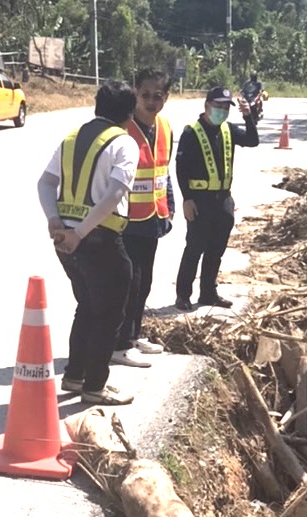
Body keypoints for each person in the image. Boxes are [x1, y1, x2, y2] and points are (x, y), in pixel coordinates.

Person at [37, 79, 139, 406]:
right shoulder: (124, 142)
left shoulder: (72, 138)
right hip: (98, 239)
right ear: (129, 114)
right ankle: (95, 386)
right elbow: (115, 193)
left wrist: (55, 220)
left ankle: (75, 375)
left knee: (87, 305)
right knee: (109, 313)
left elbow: (45, 182)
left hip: (65, 240)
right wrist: (80, 232)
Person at [111, 68, 175, 368]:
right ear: (135, 93)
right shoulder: (123, 129)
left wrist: (170, 205)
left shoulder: (165, 127)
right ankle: (120, 343)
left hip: (153, 217)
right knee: (129, 282)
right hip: (127, 220)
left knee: (145, 281)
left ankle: (134, 335)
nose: (151, 102)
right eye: (145, 95)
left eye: (157, 96)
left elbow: (164, 171)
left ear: (166, 97)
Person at [174, 86, 259, 311]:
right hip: (199, 200)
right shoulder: (191, 132)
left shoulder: (228, 129)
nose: (222, 111)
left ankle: (208, 293)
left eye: (225, 108)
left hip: (223, 200)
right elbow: (181, 168)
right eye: (218, 106)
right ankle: (183, 295)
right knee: (194, 248)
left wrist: (248, 116)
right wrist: (187, 199)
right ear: (207, 105)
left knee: (216, 249)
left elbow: (252, 140)